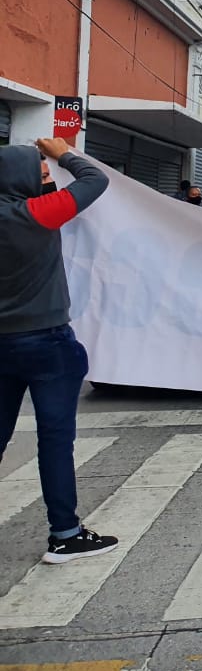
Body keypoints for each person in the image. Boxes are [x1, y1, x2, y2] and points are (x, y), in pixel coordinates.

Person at [0, 138, 118, 564]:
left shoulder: (26, 210)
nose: (47, 182)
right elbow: (94, 179)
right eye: (42, 176)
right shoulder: (37, 216)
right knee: (55, 439)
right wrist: (63, 151)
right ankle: (65, 535)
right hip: (46, 343)